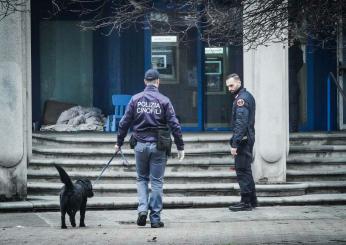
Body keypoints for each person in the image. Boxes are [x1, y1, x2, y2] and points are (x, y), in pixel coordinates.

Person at [114, 68, 185, 228]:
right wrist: (180, 146)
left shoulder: (135, 99)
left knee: (141, 179)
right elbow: (175, 124)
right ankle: (155, 219)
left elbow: (123, 123)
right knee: (157, 182)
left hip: (139, 145)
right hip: (159, 146)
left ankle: (142, 210)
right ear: (158, 82)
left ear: (145, 82)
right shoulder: (164, 100)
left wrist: (119, 142)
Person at [225, 73, 257, 212]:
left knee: (242, 171)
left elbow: (241, 124)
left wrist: (235, 144)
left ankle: (245, 202)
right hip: (248, 138)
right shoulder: (247, 96)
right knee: (247, 169)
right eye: (228, 86)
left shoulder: (241, 100)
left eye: (231, 85)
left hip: (243, 140)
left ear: (239, 82)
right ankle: (252, 200)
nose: (230, 89)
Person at [289, 39, 303, 132]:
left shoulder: (289, 50)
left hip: (286, 79)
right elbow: (300, 63)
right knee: (293, 104)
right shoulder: (296, 50)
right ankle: (294, 128)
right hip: (292, 79)